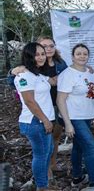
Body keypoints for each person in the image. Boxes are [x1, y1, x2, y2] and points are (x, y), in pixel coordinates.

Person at [56, 44, 94, 191]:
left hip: (86, 116)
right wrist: (68, 124)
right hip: (73, 117)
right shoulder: (67, 74)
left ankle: (77, 177)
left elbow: (92, 94)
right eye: (78, 54)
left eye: (85, 54)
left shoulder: (90, 71)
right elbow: (60, 100)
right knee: (90, 146)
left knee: (79, 147)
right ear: (73, 56)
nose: (82, 56)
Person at [10, 36, 68, 174]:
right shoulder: (27, 69)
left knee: (54, 139)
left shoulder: (59, 63)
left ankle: (52, 166)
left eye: (51, 46)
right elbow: (17, 85)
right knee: (42, 149)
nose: (47, 50)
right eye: (43, 47)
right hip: (38, 113)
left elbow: (59, 79)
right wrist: (13, 71)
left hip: (56, 106)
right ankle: (44, 176)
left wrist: (82, 68)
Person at [14, 43, 61, 191]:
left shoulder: (38, 75)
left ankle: (43, 182)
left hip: (43, 120)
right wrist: (45, 121)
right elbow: (29, 101)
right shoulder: (24, 76)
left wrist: (79, 69)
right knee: (41, 154)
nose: (40, 57)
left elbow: (54, 81)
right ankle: (41, 187)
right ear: (29, 56)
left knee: (48, 152)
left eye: (42, 54)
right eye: (37, 54)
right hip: (35, 121)